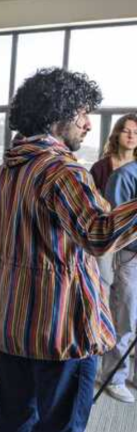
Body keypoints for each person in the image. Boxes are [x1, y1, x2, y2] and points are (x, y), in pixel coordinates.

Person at [0, 68, 137, 432]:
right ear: (57, 115)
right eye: (82, 115)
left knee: (15, 420)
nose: (88, 125)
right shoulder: (62, 171)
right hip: (61, 328)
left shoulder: (4, 172)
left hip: (14, 323)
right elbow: (99, 236)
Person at [102, 145, 137, 403]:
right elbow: (114, 225)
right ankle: (114, 377)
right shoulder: (124, 176)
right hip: (130, 257)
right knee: (125, 319)